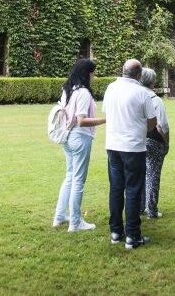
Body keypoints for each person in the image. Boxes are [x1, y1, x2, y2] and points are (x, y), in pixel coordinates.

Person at [103, 59, 157, 249]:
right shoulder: (142, 92)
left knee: (116, 189)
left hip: (112, 145)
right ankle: (132, 235)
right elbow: (152, 123)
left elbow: (107, 113)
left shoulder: (111, 88)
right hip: (133, 147)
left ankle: (116, 231)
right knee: (133, 190)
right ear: (139, 74)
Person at [53, 58, 107, 232]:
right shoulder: (83, 93)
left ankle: (60, 216)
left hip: (68, 136)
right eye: (93, 72)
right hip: (79, 136)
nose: (95, 76)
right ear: (87, 73)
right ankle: (75, 222)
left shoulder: (68, 89)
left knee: (70, 176)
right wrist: (106, 119)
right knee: (78, 180)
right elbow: (82, 121)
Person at [140, 67, 170, 219]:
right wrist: (166, 143)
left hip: (137, 140)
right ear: (152, 82)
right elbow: (162, 125)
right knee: (153, 175)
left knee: (140, 174)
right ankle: (151, 210)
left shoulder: (135, 96)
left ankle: (139, 206)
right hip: (154, 140)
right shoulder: (155, 100)